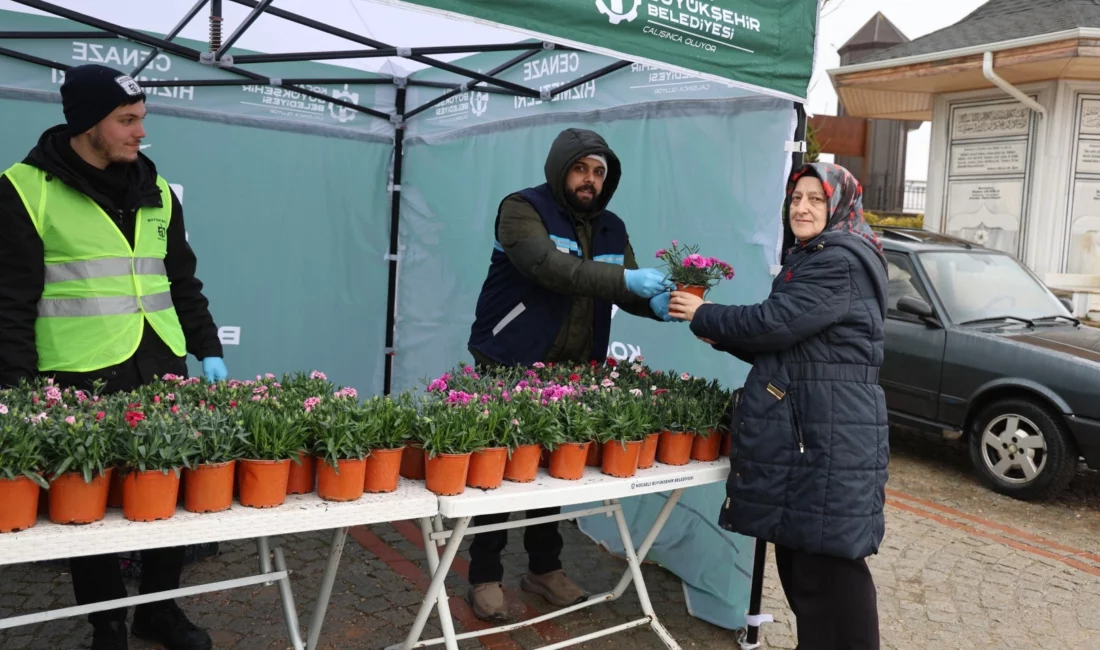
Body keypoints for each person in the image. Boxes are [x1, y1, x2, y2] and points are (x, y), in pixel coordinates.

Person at [0, 64, 228, 650]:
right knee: (88, 504)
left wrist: (206, 348)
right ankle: (107, 626)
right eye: (126, 120)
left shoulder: (156, 190)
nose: (139, 133)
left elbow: (182, 281)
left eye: (142, 119)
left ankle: (159, 609)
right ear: (86, 124)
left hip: (159, 363)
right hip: (77, 372)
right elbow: (10, 301)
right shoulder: (24, 190)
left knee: (163, 491)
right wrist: (19, 389)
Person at [669, 162, 888, 649]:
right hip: (815, 429)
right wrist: (718, 333)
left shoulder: (840, 260)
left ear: (839, 207)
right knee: (805, 568)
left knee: (828, 569)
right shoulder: (815, 256)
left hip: (827, 435)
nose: (802, 207)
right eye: (796, 198)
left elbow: (775, 322)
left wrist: (705, 312)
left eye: (816, 198)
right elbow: (790, 343)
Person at [465, 127, 677, 620]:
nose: (590, 180)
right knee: (500, 470)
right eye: (581, 168)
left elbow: (626, 288)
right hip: (509, 359)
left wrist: (661, 305)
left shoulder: (612, 227)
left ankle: (544, 570)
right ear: (561, 169)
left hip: (573, 372)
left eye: (599, 172)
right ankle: (484, 575)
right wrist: (628, 279)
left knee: (556, 473)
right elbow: (551, 269)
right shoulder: (521, 209)